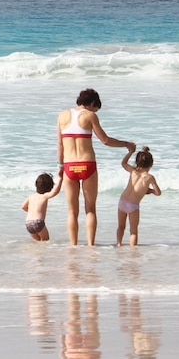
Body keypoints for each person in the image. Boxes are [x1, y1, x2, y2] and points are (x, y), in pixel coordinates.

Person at [57, 88, 134, 246]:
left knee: (72, 211)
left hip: (69, 166)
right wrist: (126, 144)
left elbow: (60, 144)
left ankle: (73, 246)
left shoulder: (62, 115)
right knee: (90, 209)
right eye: (95, 108)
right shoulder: (90, 115)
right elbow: (105, 140)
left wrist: (60, 166)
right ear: (92, 104)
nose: (95, 111)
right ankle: (91, 246)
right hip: (87, 165)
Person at [116, 146, 162, 247]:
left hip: (122, 201)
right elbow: (158, 193)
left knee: (121, 226)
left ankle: (119, 244)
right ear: (151, 164)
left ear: (137, 162)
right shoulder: (150, 178)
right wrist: (150, 190)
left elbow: (123, 163)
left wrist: (130, 152)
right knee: (133, 231)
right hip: (133, 206)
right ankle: (133, 251)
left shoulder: (133, 171)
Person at [21, 172, 62, 241]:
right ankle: (43, 252)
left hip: (28, 223)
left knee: (37, 241)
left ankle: (36, 252)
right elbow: (55, 192)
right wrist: (61, 179)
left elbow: (23, 207)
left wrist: (31, 211)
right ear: (50, 187)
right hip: (38, 222)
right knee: (46, 240)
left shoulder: (31, 196)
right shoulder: (44, 196)